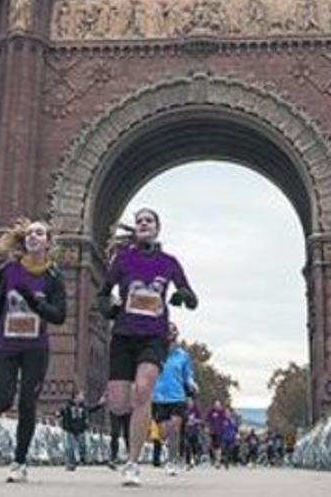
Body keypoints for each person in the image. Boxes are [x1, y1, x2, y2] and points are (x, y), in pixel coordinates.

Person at [99, 208, 198, 486]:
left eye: (149, 220)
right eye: (140, 220)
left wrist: (183, 295)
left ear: (157, 228)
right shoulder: (122, 259)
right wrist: (109, 308)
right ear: (136, 228)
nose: (144, 223)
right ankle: (134, 423)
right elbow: (103, 294)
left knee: (143, 390)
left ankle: (132, 463)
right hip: (123, 335)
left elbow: (191, 296)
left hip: (154, 337)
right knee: (119, 404)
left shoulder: (169, 263)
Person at [0, 219, 67, 483]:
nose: (34, 236)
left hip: (36, 349)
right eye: (30, 232)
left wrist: (34, 301)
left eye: (40, 233)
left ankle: (19, 461)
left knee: (27, 404)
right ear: (24, 240)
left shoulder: (54, 277)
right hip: (6, 345)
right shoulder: (8, 270)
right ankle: (0, 393)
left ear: (48, 241)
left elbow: (59, 316)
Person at [150, 323, 195, 477]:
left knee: (174, 429)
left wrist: (191, 386)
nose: (170, 341)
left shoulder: (183, 356)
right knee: (163, 433)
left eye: (172, 337)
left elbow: (187, 374)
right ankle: (169, 449)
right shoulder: (155, 353)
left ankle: (171, 461)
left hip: (177, 396)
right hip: (158, 397)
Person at [58, 392, 105, 471]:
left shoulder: (83, 407)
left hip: (80, 429)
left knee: (83, 445)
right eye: (80, 396)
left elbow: (91, 409)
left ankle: (82, 457)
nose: (82, 397)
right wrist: (59, 414)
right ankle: (71, 463)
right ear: (75, 398)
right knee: (69, 447)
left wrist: (100, 404)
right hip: (70, 429)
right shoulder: (67, 407)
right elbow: (61, 412)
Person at [206, 400, 228, 467]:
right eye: (216, 405)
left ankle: (218, 461)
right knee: (212, 446)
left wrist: (225, 424)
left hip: (219, 431)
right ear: (214, 405)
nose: (217, 406)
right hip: (212, 431)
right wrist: (207, 427)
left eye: (218, 405)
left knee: (218, 446)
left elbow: (225, 419)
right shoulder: (211, 411)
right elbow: (207, 419)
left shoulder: (222, 412)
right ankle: (215, 459)